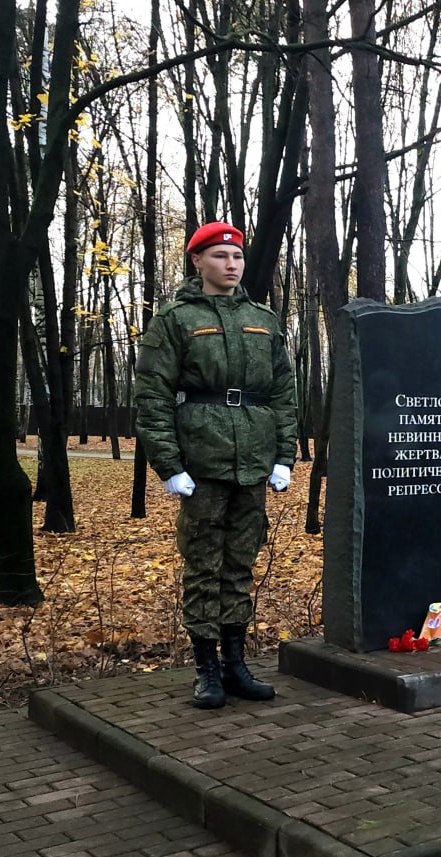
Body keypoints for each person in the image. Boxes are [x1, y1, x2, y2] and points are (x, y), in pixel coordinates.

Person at [135, 222, 298, 709]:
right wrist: (168, 464)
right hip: (202, 460)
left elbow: (284, 394)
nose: (232, 264)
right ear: (197, 262)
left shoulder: (263, 319)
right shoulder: (175, 319)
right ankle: (206, 668)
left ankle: (235, 662)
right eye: (221, 256)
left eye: (237, 257)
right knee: (203, 566)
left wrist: (283, 456)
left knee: (240, 564)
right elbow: (151, 396)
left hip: (253, 458)